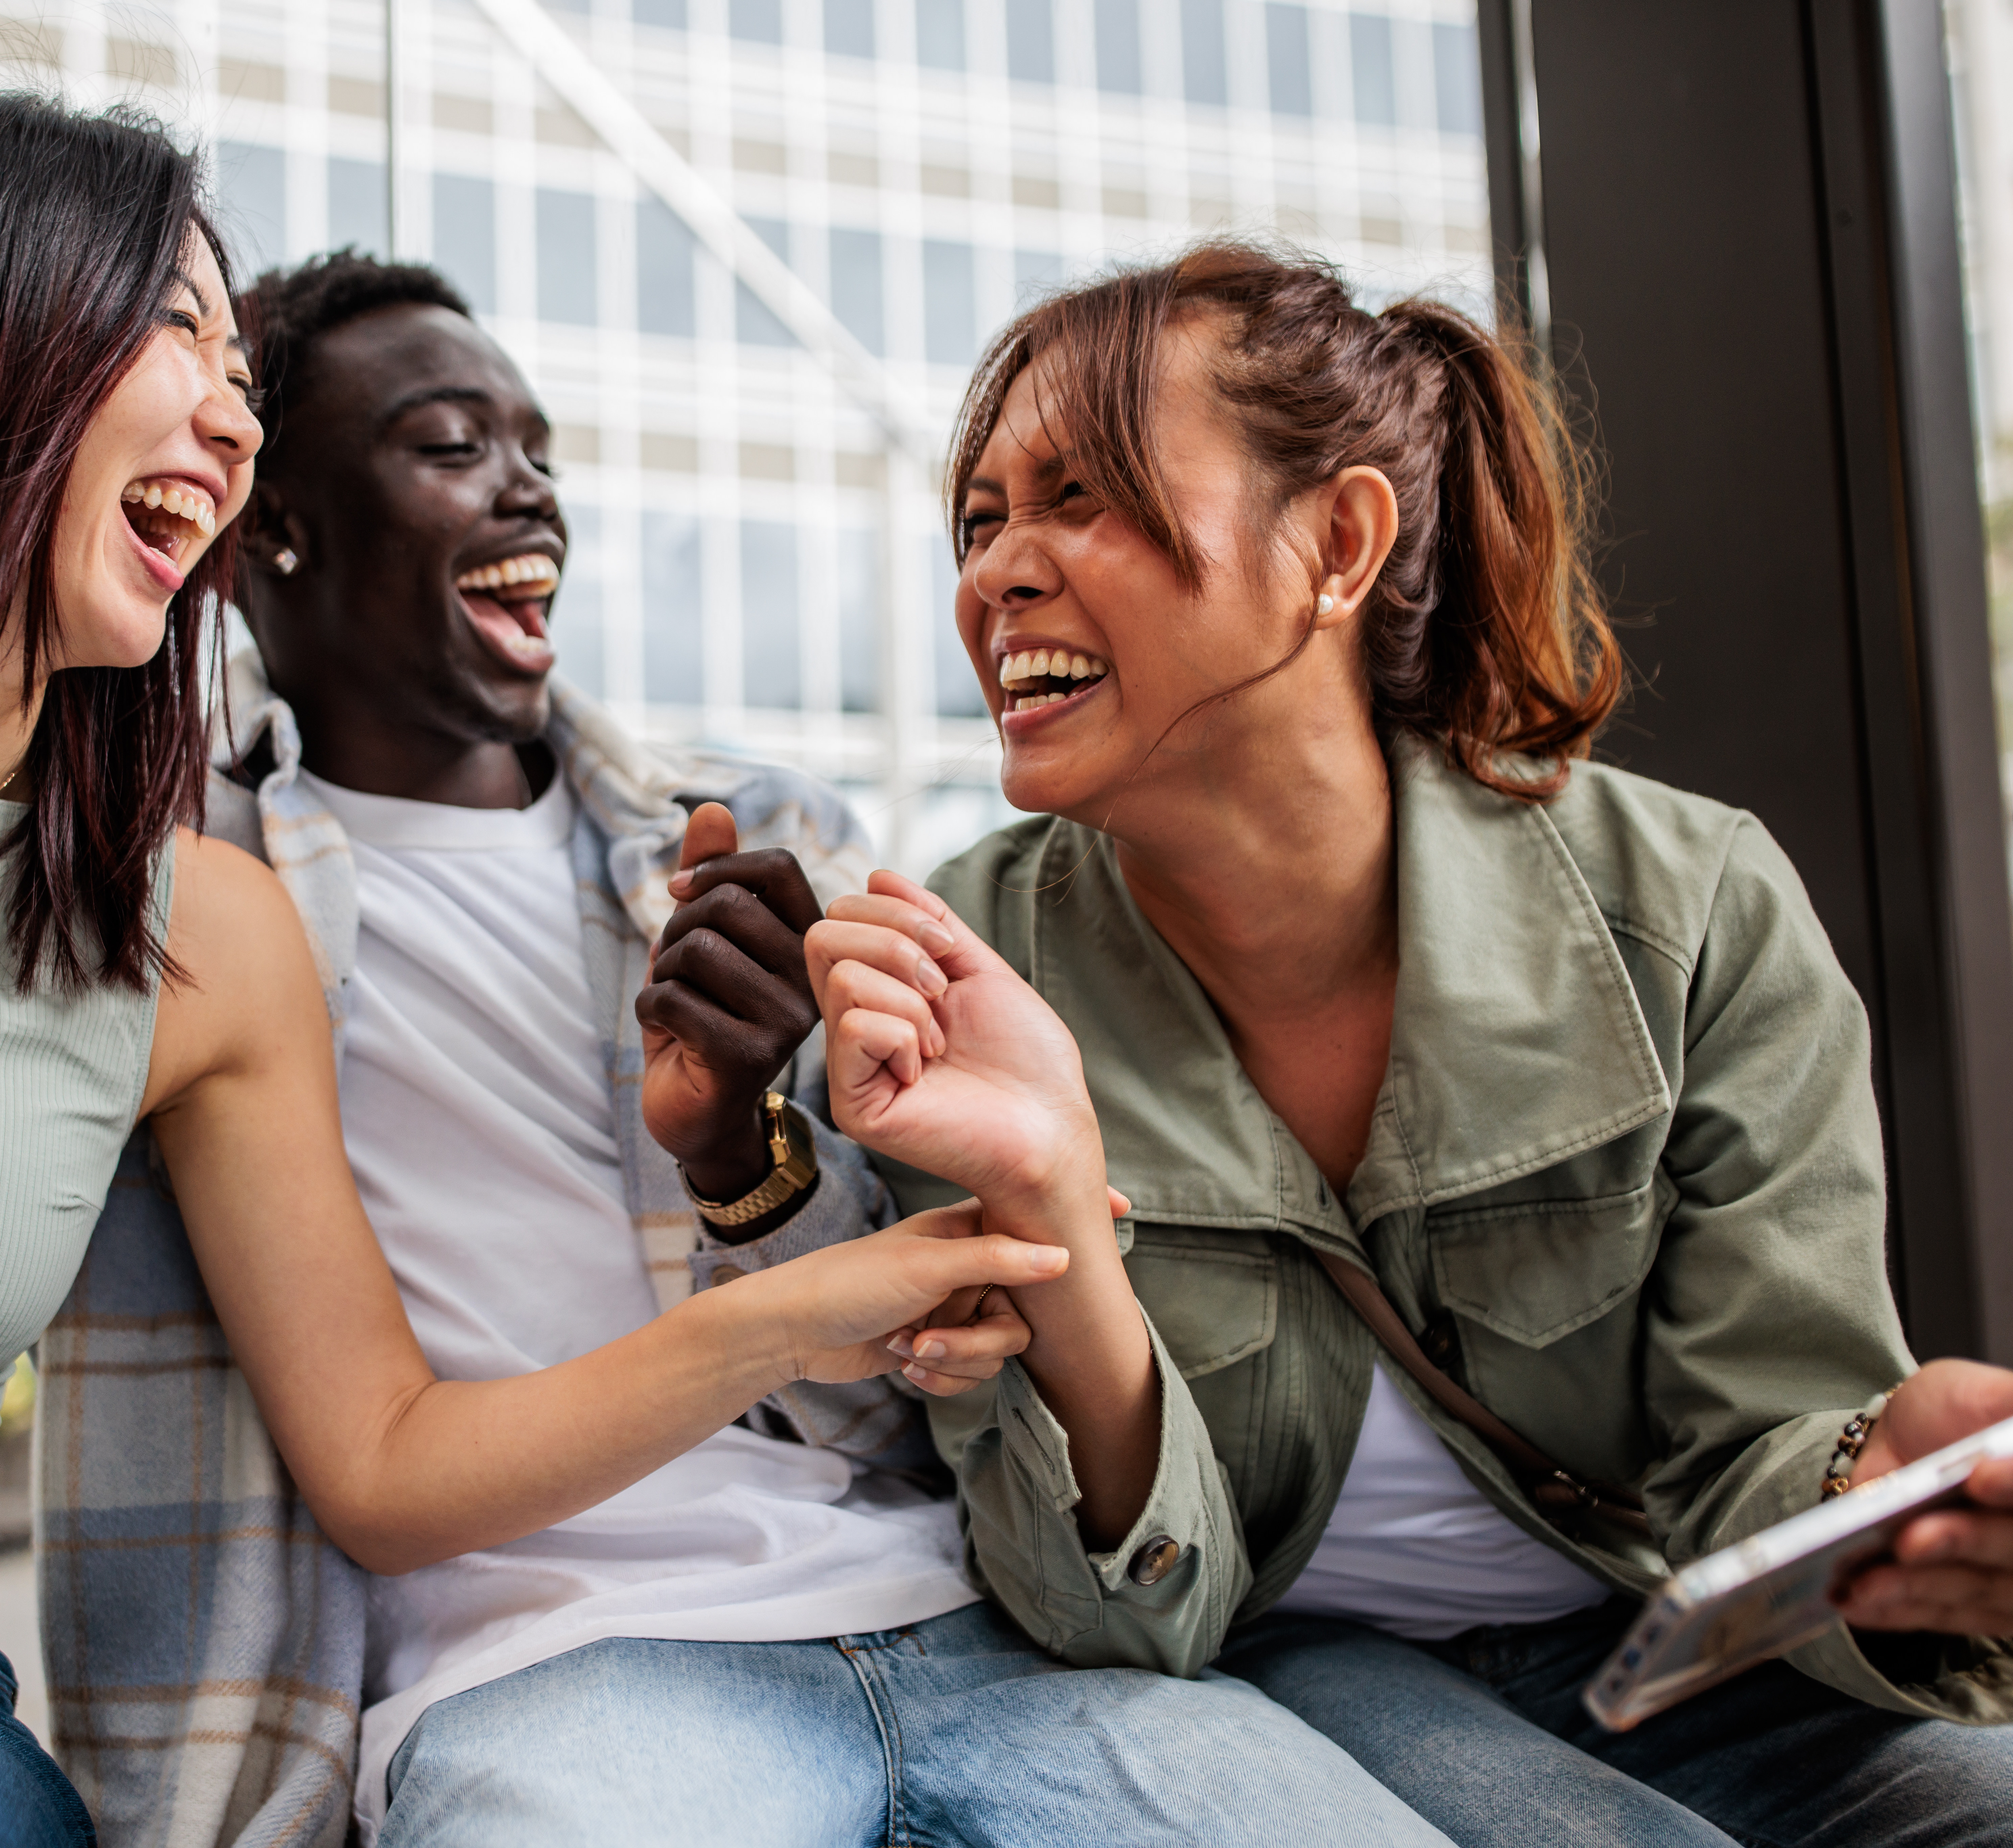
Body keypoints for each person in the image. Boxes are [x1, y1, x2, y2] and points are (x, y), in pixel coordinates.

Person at [0, 233, 1457, 1847]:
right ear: (272, 543)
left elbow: (943, 1351)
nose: (526, 490)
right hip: (542, 1664)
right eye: (452, 448)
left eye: (536, 443)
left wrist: (751, 1164)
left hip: (940, 1609)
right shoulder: (146, 883)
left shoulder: (760, 851)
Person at [802, 241, 2013, 1846]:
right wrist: (1057, 1218)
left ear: (1339, 542)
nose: (997, 573)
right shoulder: (959, 992)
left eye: (1079, 496)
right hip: (1282, 1664)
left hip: (1674, 1647)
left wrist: (1874, 1482)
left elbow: (1755, 1462)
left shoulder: (1685, 906)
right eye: (980, 520)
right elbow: (1110, 1618)